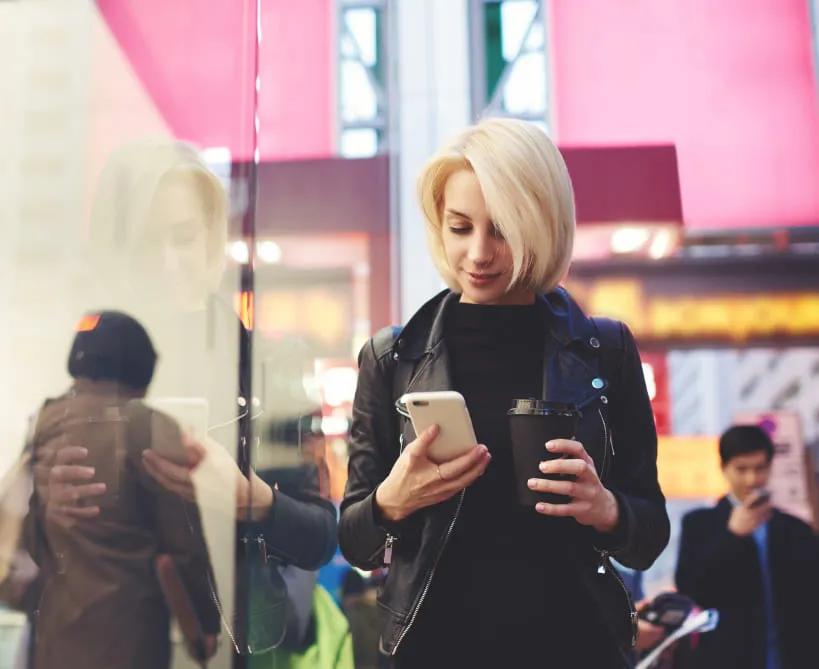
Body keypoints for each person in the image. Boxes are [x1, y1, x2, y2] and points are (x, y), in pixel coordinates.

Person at [338, 118, 670, 668]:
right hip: (433, 651)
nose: (478, 253)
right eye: (460, 227)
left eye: (502, 229)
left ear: (541, 224)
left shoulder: (605, 351)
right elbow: (352, 541)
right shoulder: (392, 359)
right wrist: (393, 500)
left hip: (575, 646)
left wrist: (605, 508)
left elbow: (649, 534)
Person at [40, 138, 338, 659]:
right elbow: (20, 556)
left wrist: (256, 503)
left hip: (233, 641)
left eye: (183, 237)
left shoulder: (274, 366)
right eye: (147, 242)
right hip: (103, 640)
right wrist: (48, 503)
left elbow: (321, 536)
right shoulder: (71, 371)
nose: (168, 261)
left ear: (212, 237)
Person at [23, 310, 219, 669]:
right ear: (140, 370)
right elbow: (183, 544)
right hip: (128, 639)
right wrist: (205, 624)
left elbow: (29, 529)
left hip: (53, 639)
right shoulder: (149, 426)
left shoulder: (45, 422)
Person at [675, 425, 819, 669]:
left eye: (760, 468)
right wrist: (732, 536)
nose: (752, 479)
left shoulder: (796, 529)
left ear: (770, 467)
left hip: (793, 656)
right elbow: (691, 588)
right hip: (727, 658)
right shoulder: (699, 524)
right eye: (741, 469)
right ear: (724, 469)